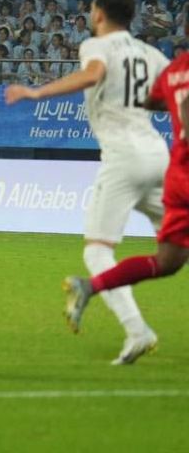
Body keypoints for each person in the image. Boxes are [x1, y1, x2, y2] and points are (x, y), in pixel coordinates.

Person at [5, 0, 168, 365]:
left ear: (98, 14)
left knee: (97, 251)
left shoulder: (97, 46)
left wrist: (36, 93)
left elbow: (94, 74)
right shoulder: (152, 54)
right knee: (179, 245)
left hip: (124, 159)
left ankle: (137, 331)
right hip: (159, 155)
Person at [63, 39, 189, 363]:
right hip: (167, 168)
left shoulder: (177, 69)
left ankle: (94, 287)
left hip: (175, 171)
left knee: (169, 260)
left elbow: (153, 99)